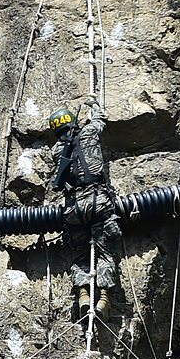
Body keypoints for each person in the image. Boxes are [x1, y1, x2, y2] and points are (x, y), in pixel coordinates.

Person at [49, 99, 119, 320]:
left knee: (80, 254)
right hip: (98, 201)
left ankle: (83, 295)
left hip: (74, 209)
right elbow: (101, 120)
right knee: (105, 252)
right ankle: (104, 299)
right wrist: (95, 107)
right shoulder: (89, 131)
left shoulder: (56, 151)